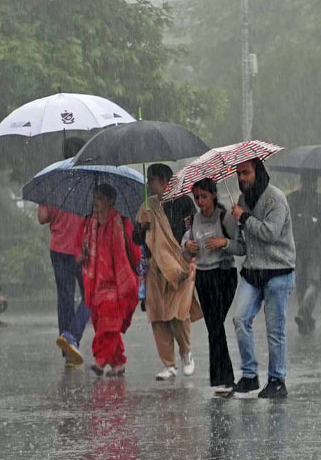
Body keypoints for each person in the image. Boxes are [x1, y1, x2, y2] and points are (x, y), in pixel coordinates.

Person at [229, 158, 296, 399]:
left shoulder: (275, 198)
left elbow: (270, 233)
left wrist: (245, 218)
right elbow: (242, 244)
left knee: (275, 330)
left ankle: (277, 380)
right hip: (253, 271)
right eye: (238, 174)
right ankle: (249, 376)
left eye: (245, 172)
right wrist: (224, 242)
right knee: (240, 319)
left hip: (278, 271)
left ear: (258, 172)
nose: (241, 178)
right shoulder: (242, 200)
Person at [136, 166, 202, 382]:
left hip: (180, 266)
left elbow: (192, 232)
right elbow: (137, 239)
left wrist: (191, 258)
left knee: (178, 313)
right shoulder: (147, 207)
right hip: (155, 268)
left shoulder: (183, 202)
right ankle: (168, 364)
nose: (149, 184)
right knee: (157, 316)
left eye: (152, 180)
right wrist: (141, 227)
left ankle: (186, 352)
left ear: (165, 182)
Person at [181, 178, 242, 394]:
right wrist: (187, 246)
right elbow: (185, 246)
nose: (199, 201)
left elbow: (240, 247)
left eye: (204, 197)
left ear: (214, 195)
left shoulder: (224, 217)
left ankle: (224, 379)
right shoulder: (193, 221)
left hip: (224, 276)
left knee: (216, 325)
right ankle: (221, 379)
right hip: (204, 277)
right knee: (213, 327)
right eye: (196, 197)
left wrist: (222, 243)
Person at [75, 184, 142, 376]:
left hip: (117, 285)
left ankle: (101, 360)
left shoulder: (121, 222)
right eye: (95, 197)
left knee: (109, 325)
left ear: (110, 201)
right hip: (94, 283)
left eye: (101, 197)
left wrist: (141, 272)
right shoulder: (88, 223)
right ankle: (118, 362)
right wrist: (80, 255)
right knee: (100, 323)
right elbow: (78, 247)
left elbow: (134, 250)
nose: (96, 201)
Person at [39, 136, 88, 367]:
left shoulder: (53, 179)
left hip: (58, 248)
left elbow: (42, 218)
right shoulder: (88, 179)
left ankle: (66, 345)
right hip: (83, 248)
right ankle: (73, 338)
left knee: (64, 298)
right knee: (90, 296)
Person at [287, 172, 321, 336]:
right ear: (315, 183)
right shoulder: (320, 199)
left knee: (301, 282)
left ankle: (306, 319)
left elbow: (286, 222)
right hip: (314, 247)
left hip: (297, 246)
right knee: (314, 282)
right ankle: (304, 312)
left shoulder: (292, 198)